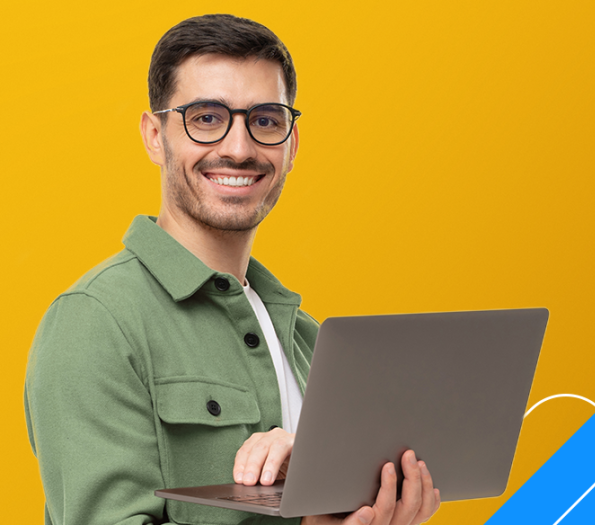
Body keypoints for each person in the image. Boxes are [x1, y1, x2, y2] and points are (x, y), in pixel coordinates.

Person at [24, 14, 441, 525]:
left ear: (292, 145)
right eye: (206, 118)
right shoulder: (95, 323)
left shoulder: (308, 340)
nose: (239, 149)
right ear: (155, 136)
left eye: (265, 120)